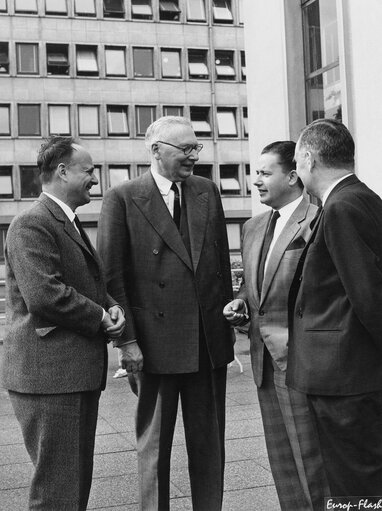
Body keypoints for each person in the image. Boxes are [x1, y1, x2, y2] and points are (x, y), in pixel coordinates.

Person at [97, 116, 234, 511]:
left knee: (210, 447)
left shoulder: (207, 191)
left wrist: (230, 317)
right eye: (184, 149)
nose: (193, 157)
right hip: (154, 348)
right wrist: (128, 342)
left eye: (196, 148)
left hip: (208, 345)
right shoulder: (122, 197)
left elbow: (220, 266)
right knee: (154, 449)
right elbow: (112, 279)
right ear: (156, 150)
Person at [1, 136, 125, 510]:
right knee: (57, 491)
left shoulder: (63, 221)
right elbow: (45, 295)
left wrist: (111, 305)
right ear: (61, 171)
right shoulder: (32, 223)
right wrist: (102, 317)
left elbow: (83, 283)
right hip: (51, 378)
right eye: (88, 171)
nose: (95, 179)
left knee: (69, 486)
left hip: (67, 375)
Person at [223, 141, 329, 510]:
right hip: (264, 364)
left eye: (265, 173)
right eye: (256, 173)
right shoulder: (252, 227)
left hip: (305, 363)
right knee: (284, 464)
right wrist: (240, 303)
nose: (255, 181)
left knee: (317, 466)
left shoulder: (321, 217)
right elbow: (255, 287)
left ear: (293, 176)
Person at [288, 118, 382, 496]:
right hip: (352, 372)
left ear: (309, 159)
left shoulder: (342, 206)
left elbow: (368, 295)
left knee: (353, 483)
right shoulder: (363, 198)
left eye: (296, 161)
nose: (296, 170)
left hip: (345, 376)